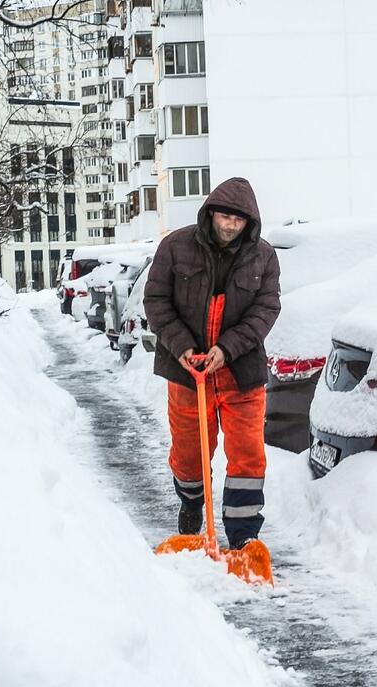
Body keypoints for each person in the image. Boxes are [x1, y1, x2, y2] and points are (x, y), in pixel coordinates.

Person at [143, 177, 281, 549]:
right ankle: (191, 506)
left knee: (247, 456)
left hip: (240, 373)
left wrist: (226, 349)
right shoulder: (175, 247)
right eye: (224, 216)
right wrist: (184, 348)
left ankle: (243, 537)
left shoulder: (263, 256)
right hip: (189, 374)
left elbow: (265, 310)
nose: (229, 226)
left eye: (238, 220)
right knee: (189, 455)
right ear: (211, 212)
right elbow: (156, 301)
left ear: (249, 222)